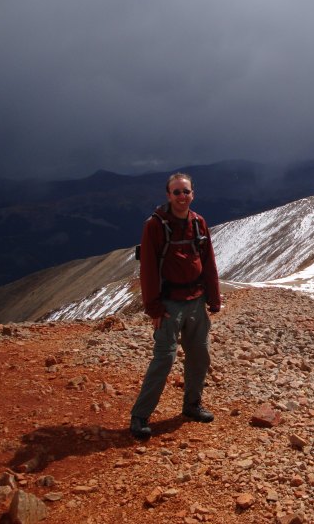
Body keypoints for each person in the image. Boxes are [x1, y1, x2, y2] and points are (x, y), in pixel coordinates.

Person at [130, 172, 221, 440]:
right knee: (164, 358)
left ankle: (192, 405)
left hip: (196, 301)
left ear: (193, 194)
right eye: (177, 192)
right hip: (169, 303)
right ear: (168, 195)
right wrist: (154, 308)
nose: (182, 196)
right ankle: (140, 415)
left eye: (186, 191)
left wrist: (213, 299)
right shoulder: (155, 226)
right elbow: (147, 268)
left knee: (200, 355)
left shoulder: (198, 223)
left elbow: (209, 263)